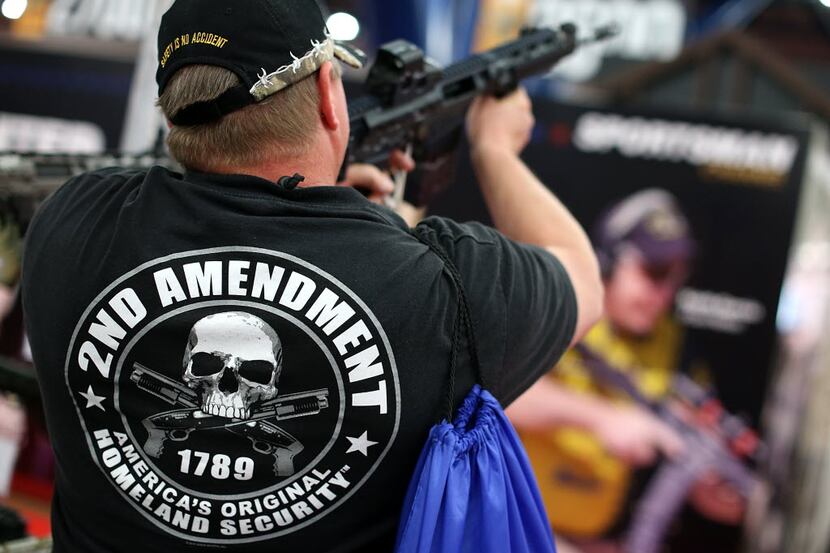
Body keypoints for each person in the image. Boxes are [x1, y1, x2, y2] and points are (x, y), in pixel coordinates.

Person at [20, 1, 603, 551]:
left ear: (171, 105)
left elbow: (209, 213)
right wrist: (495, 150)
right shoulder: (446, 287)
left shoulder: (72, 222)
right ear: (329, 93)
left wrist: (346, 215)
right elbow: (580, 275)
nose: (226, 383)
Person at [508, 189, 693, 552]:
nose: (664, 294)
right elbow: (501, 393)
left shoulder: (673, 339)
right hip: (513, 526)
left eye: (676, 277)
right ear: (609, 261)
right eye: (654, 272)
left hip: (597, 540)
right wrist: (602, 418)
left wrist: (701, 482)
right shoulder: (561, 308)